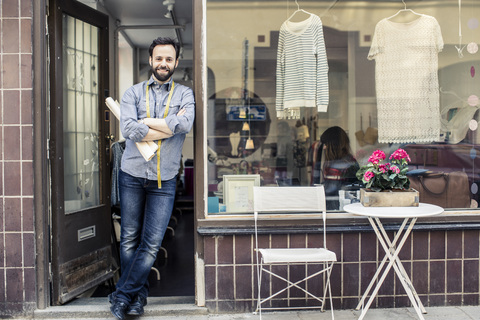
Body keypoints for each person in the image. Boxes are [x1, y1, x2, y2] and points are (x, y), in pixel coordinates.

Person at [109, 37, 195, 320]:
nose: (163, 64)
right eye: (159, 58)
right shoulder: (133, 93)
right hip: (132, 174)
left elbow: (186, 123)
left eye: (169, 59)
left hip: (165, 178)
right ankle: (137, 299)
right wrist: (167, 127)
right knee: (130, 240)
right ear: (151, 61)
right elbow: (131, 131)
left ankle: (121, 295)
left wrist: (146, 122)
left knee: (151, 244)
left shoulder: (184, 94)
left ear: (176, 63)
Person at [319, 126, 359, 209]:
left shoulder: (338, 166)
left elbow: (331, 193)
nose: (324, 147)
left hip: (336, 209)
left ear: (334, 145)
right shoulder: (349, 161)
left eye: (326, 144)